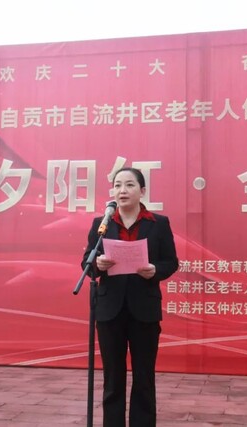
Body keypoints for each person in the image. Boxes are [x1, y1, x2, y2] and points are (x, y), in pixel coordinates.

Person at [82, 167, 178, 427]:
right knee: (112, 379)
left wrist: (155, 270)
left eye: (129, 185)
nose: (122, 190)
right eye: (117, 185)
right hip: (110, 310)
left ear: (142, 191)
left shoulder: (158, 224)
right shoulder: (102, 224)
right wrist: (98, 264)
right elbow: (87, 262)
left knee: (144, 377)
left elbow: (171, 262)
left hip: (144, 309)